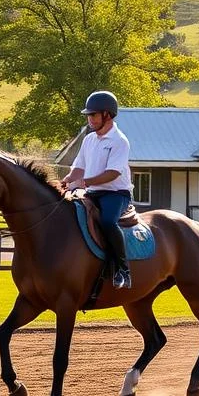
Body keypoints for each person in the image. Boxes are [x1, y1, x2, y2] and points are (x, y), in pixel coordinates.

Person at [61, 90, 135, 289]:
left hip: (116, 194)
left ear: (107, 115)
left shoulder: (119, 141)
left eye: (93, 115)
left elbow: (112, 174)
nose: (89, 119)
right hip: (93, 193)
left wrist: (83, 183)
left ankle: (123, 270)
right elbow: (79, 167)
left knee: (108, 222)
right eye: (88, 115)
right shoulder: (89, 140)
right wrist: (68, 180)